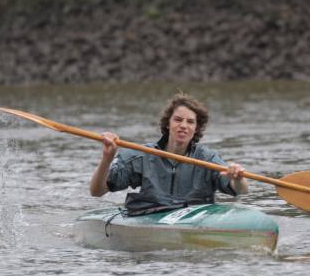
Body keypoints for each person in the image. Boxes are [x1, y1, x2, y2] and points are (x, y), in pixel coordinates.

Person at [90, 92, 248, 215]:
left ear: (196, 129)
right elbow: (97, 191)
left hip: (195, 218)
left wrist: (238, 178)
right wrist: (107, 158)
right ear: (167, 123)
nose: (183, 126)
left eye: (190, 122)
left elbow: (240, 190)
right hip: (151, 215)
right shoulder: (142, 156)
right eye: (178, 120)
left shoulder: (207, 158)